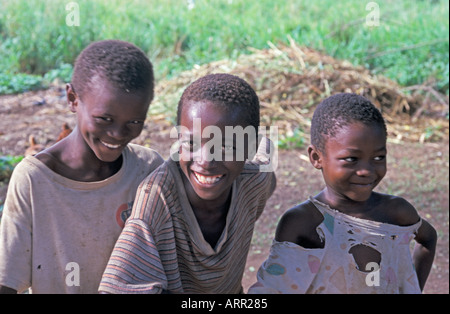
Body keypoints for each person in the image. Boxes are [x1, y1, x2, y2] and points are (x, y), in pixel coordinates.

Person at [0, 40, 164, 294]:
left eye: (134, 121)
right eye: (104, 119)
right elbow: (7, 281)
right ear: (72, 99)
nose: (118, 133)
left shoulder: (148, 169)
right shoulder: (34, 180)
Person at [98, 73, 277, 294]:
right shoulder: (156, 201)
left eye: (225, 146)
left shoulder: (254, 181)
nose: (205, 161)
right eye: (191, 143)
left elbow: (266, 151)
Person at [249, 93, 437, 294]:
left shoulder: (396, 213)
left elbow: (428, 238)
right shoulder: (305, 222)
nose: (366, 170)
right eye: (351, 159)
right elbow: (271, 290)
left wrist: (412, 288)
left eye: (378, 157)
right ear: (316, 157)